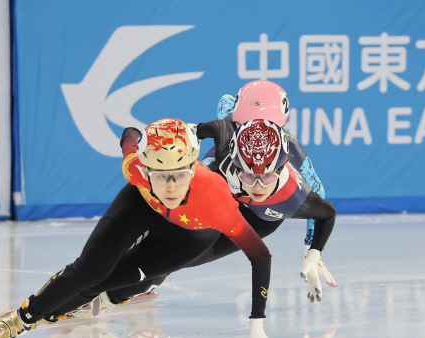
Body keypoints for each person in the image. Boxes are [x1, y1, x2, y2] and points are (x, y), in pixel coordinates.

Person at [0, 118, 290, 338]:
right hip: (143, 205)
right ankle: (20, 319)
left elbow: (260, 257)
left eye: (180, 174)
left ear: (194, 166)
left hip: (190, 236)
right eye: (160, 175)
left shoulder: (217, 201)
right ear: (145, 168)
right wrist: (23, 319)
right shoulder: (136, 171)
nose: (171, 186)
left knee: (107, 282)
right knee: (90, 269)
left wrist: (257, 322)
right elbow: (130, 134)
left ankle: (99, 298)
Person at [103, 80, 338, 307]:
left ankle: (121, 289)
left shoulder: (288, 147)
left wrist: (313, 249)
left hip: (256, 218)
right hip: (218, 190)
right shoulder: (228, 118)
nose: (253, 138)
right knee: (163, 230)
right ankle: (109, 276)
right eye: (244, 125)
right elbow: (223, 103)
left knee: (181, 254)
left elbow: (317, 195)